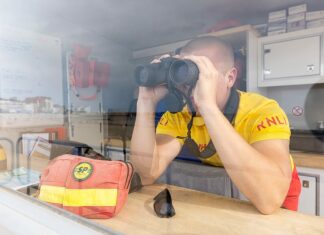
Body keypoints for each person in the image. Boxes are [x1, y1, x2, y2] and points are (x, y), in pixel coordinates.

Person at [130, 36, 301, 214]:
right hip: (229, 180)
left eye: (203, 75)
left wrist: (208, 107)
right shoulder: (180, 116)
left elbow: (270, 198)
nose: (191, 86)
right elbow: (146, 174)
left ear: (230, 77)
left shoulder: (262, 110)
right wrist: (145, 102)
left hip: (275, 184)